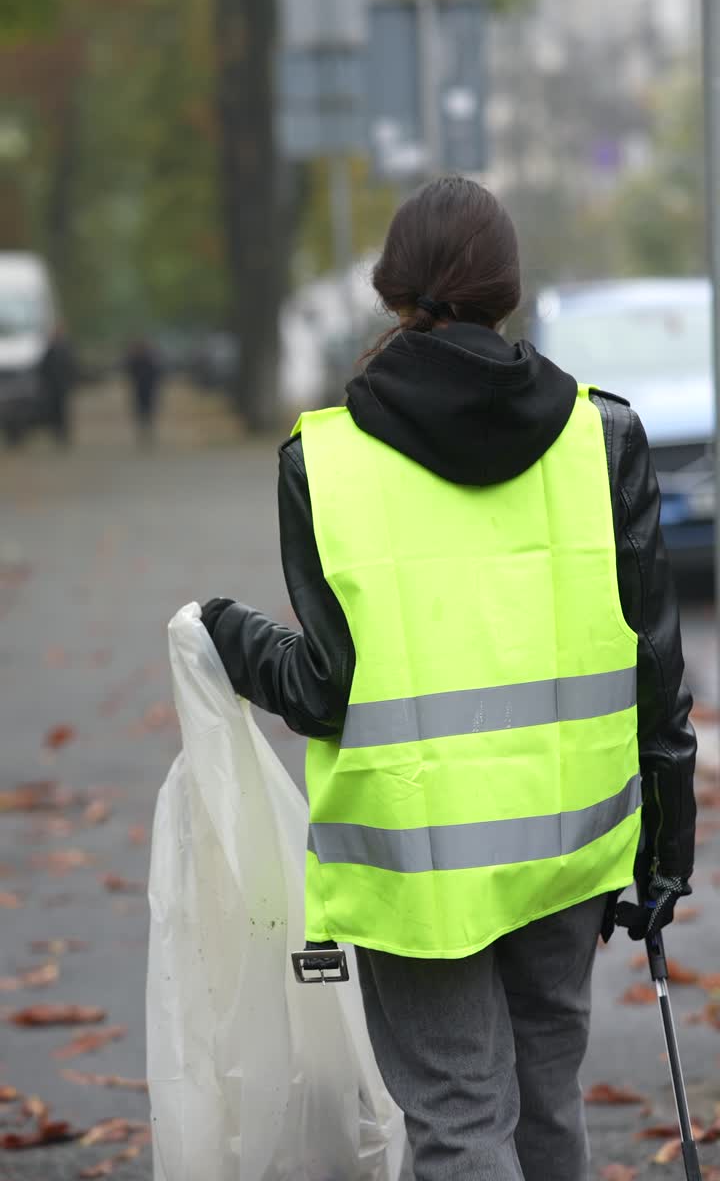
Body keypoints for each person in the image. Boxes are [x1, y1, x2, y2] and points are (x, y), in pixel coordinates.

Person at [201, 177, 696, 1181]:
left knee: (461, 1122)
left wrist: (226, 633)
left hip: (414, 862)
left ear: (393, 292)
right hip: (566, 844)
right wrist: (665, 850)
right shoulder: (601, 437)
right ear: (509, 289)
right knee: (549, 1103)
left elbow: (321, 685)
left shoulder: (326, 459)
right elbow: (655, 666)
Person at [38, 324, 76, 446]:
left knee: (63, 412)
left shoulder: (66, 349)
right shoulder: (50, 350)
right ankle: (58, 435)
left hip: (62, 387)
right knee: (55, 413)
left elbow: (71, 367)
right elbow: (43, 368)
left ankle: (63, 436)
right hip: (52, 387)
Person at [124, 338, 161, 443]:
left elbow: (157, 373)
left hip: (148, 388)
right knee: (140, 410)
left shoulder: (150, 359)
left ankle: (147, 430)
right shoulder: (135, 358)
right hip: (139, 388)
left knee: (148, 410)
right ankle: (143, 431)